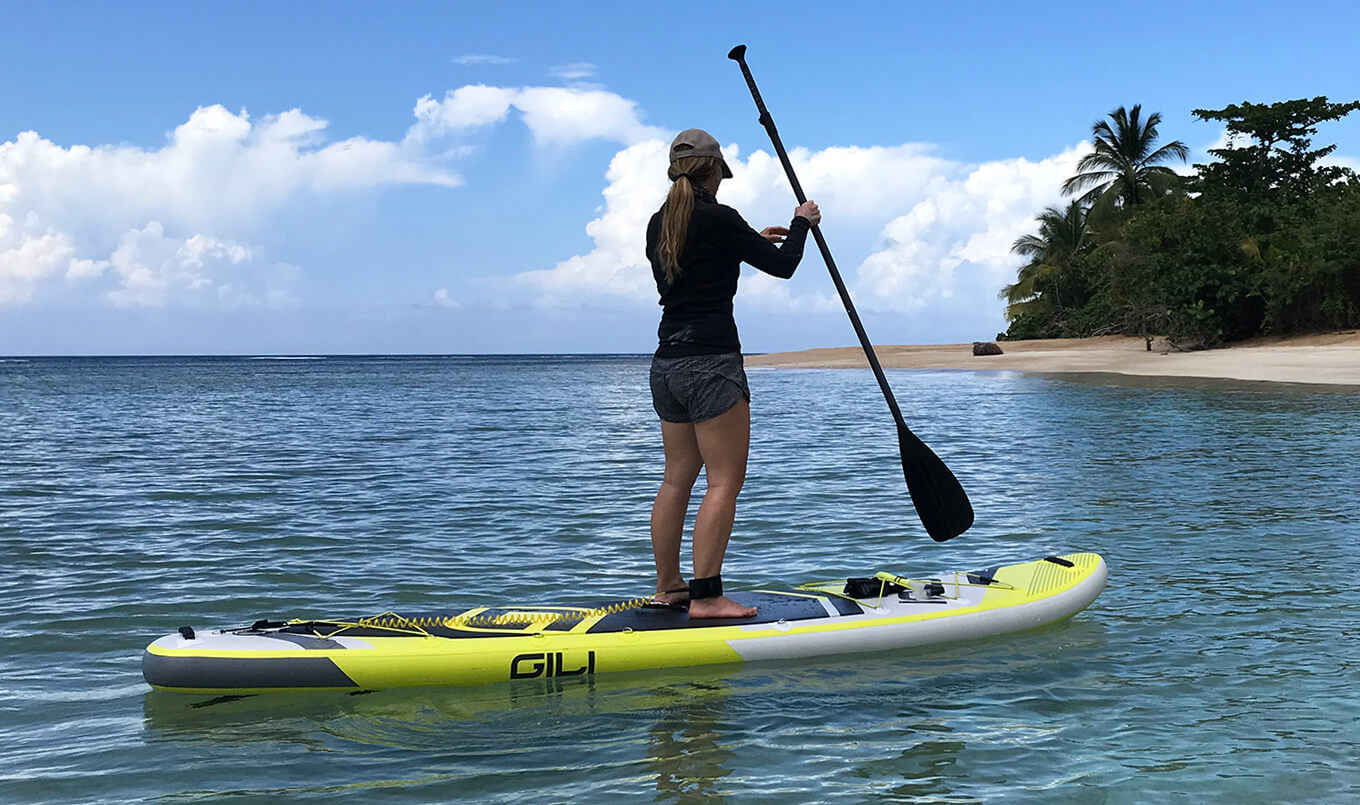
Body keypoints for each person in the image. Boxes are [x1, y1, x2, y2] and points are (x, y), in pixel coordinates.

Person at [645, 128, 821, 619]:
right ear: (714, 173)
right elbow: (785, 266)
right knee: (724, 482)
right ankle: (707, 597)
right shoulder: (719, 218)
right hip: (711, 365)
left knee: (676, 479)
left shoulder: (659, 223)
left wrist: (747, 242)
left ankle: (669, 587)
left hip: (666, 365)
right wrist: (800, 221)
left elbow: (695, 268)